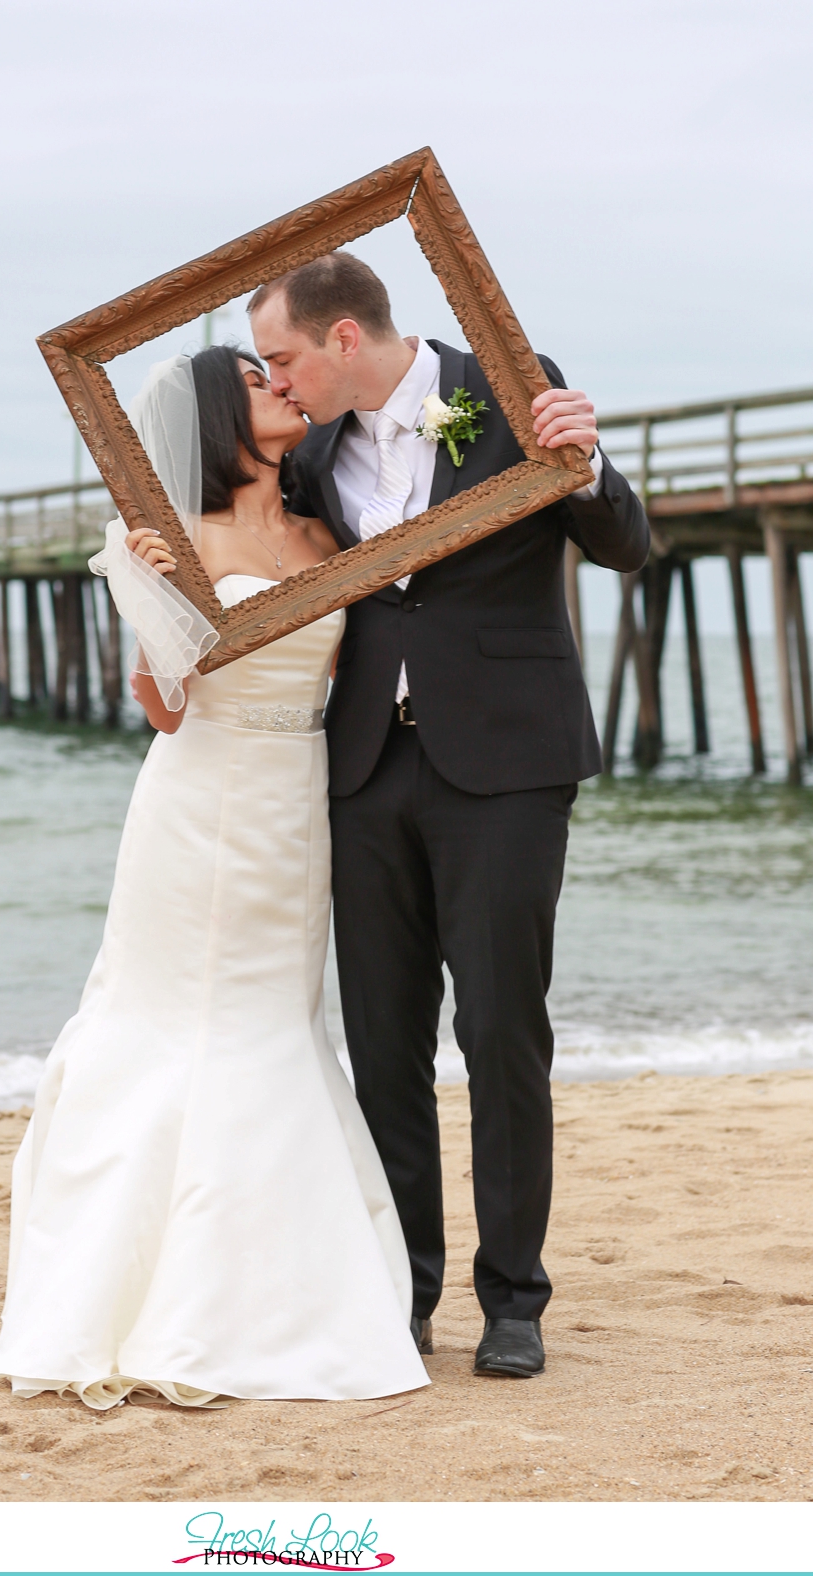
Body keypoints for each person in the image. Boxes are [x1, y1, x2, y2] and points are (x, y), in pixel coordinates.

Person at [0, 344, 429, 1409]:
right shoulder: (175, 539)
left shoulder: (326, 530)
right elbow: (165, 709)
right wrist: (148, 597)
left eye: (273, 371)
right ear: (214, 419)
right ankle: (134, 1291)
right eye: (253, 381)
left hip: (299, 804)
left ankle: (268, 1284)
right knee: (167, 1019)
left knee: (274, 1022)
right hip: (196, 798)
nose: (281, 385)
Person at [249, 251, 650, 1379]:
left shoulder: (516, 385)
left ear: (342, 339)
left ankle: (514, 1300)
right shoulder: (312, 453)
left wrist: (589, 460)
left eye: (283, 358)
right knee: (384, 1044)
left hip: (510, 766)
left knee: (502, 1032)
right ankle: (405, 1291)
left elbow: (627, 546)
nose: (276, 383)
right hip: (366, 768)